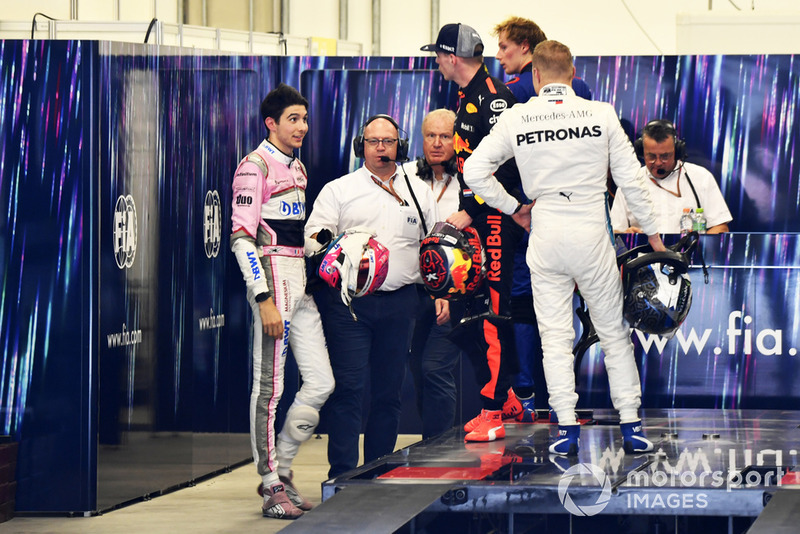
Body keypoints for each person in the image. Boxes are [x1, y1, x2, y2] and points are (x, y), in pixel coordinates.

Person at [462, 40, 667, 456]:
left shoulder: (520, 116)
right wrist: (655, 238)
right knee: (613, 334)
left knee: (554, 337)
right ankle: (630, 426)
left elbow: (473, 170)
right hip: (591, 233)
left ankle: (566, 430)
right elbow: (632, 181)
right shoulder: (601, 113)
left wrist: (515, 208)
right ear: (572, 74)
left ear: (535, 75)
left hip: (547, 231)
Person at [305, 114, 442, 477]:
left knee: (388, 394)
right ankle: (342, 475)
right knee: (348, 389)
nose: (381, 148)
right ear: (360, 146)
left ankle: (377, 473)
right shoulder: (339, 189)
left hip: (401, 304)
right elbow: (312, 238)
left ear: (401, 146)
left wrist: (441, 289)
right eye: (373, 141)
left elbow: (433, 243)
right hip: (349, 305)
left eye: (388, 141)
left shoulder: (418, 191)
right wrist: (338, 246)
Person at [230, 83, 335, 519]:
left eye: (305, 119)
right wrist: (263, 298)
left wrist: (320, 243)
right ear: (271, 123)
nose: (302, 127)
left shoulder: (298, 166)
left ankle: (283, 470)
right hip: (273, 282)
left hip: (301, 281)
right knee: (268, 390)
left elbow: (293, 234)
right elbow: (240, 237)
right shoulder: (254, 166)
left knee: (321, 382)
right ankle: (269, 480)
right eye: (293, 119)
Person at [421, 23, 524, 442]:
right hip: (482, 218)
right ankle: (511, 396)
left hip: (496, 218)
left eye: (438, 56)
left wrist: (475, 209)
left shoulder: (493, 99)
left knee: (494, 315)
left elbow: (509, 165)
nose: (437, 63)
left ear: (451, 57)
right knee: (474, 315)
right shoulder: (466, 97)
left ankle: (493, 410)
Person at [493, 16, 596, 423]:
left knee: (524, 307)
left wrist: (514, 206)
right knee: (570, 310)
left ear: (525, 49)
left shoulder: (508, 94)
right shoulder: (582, 90)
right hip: (578, 215)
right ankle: (561, 403)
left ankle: (527, 395)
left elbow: (485, 164)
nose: (498, 56)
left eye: (503, 47)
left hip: (529, 217)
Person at [403, 109, 463, 440]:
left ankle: (441, 449)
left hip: (458, 293)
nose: (437, 143)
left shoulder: (472, 181)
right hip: (413, 290)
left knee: (435, 367)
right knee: (418, 370)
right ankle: (433, 443)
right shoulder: (405, 176)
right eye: (430, 136)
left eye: (445, 136)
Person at [610, 119, 733, 234]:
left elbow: (721, 227)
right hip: (644, 256)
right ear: (642, 153)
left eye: (665, 156)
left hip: (687, 256)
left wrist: (699, 243)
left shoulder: (702, 178)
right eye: (651, 156)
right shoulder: (629, 183)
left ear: (677, 151)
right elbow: (614, 234)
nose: (658, 163)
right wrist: (626, 236)